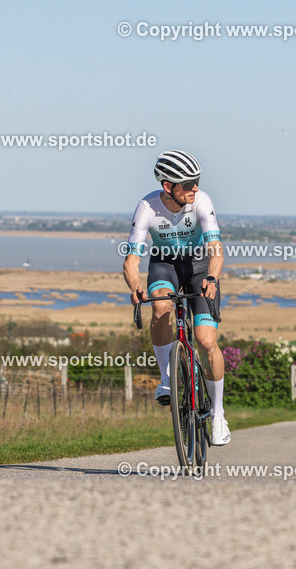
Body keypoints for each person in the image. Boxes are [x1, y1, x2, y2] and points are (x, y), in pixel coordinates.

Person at [122, 150, 229, 446]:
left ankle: (218, 414)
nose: (196, 188)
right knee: (159, 306)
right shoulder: (147, 207)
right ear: (169, 186)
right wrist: (134, 287)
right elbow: (132, 260)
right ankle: (167, 379)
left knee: (207, 341)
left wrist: (211, 278)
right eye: (189, 183)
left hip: (198, 268)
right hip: (164, 265)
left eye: (197, 181)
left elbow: (216, 249)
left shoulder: (202, 201)